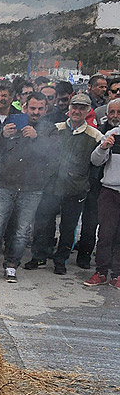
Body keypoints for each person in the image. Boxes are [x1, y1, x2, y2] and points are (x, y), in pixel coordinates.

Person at [0, 92, 53, 283]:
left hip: (32, 188)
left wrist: (37, 138)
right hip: (6, 185)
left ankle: (11, 265)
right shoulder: (12, 123)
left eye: (39, 108)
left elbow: (55, 154)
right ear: (24, 107)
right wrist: (2, 136)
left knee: (21, 231)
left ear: (46, 109)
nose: (35, 112)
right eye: (32, 108)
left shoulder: (50, 130)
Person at [26, 93, 103, 275]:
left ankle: (60, 261)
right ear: (69, 109)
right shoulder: (56, 128)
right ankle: (39, 256)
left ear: (88, 111)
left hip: (75, 189)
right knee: (43, 223)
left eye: (82, 108)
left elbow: (97, 162)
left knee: (68, 228)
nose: (77, 111)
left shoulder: (95, 135)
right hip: (51, 186)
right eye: (74, 107)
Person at [84, 99, 120, 289]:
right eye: (111, 112)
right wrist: (104, 147)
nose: (115, 116)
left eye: (118, 112)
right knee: (105, 234)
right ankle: (101, 272)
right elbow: (96, 161)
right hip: (109, 191)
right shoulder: (109, 134)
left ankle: (118, 274)